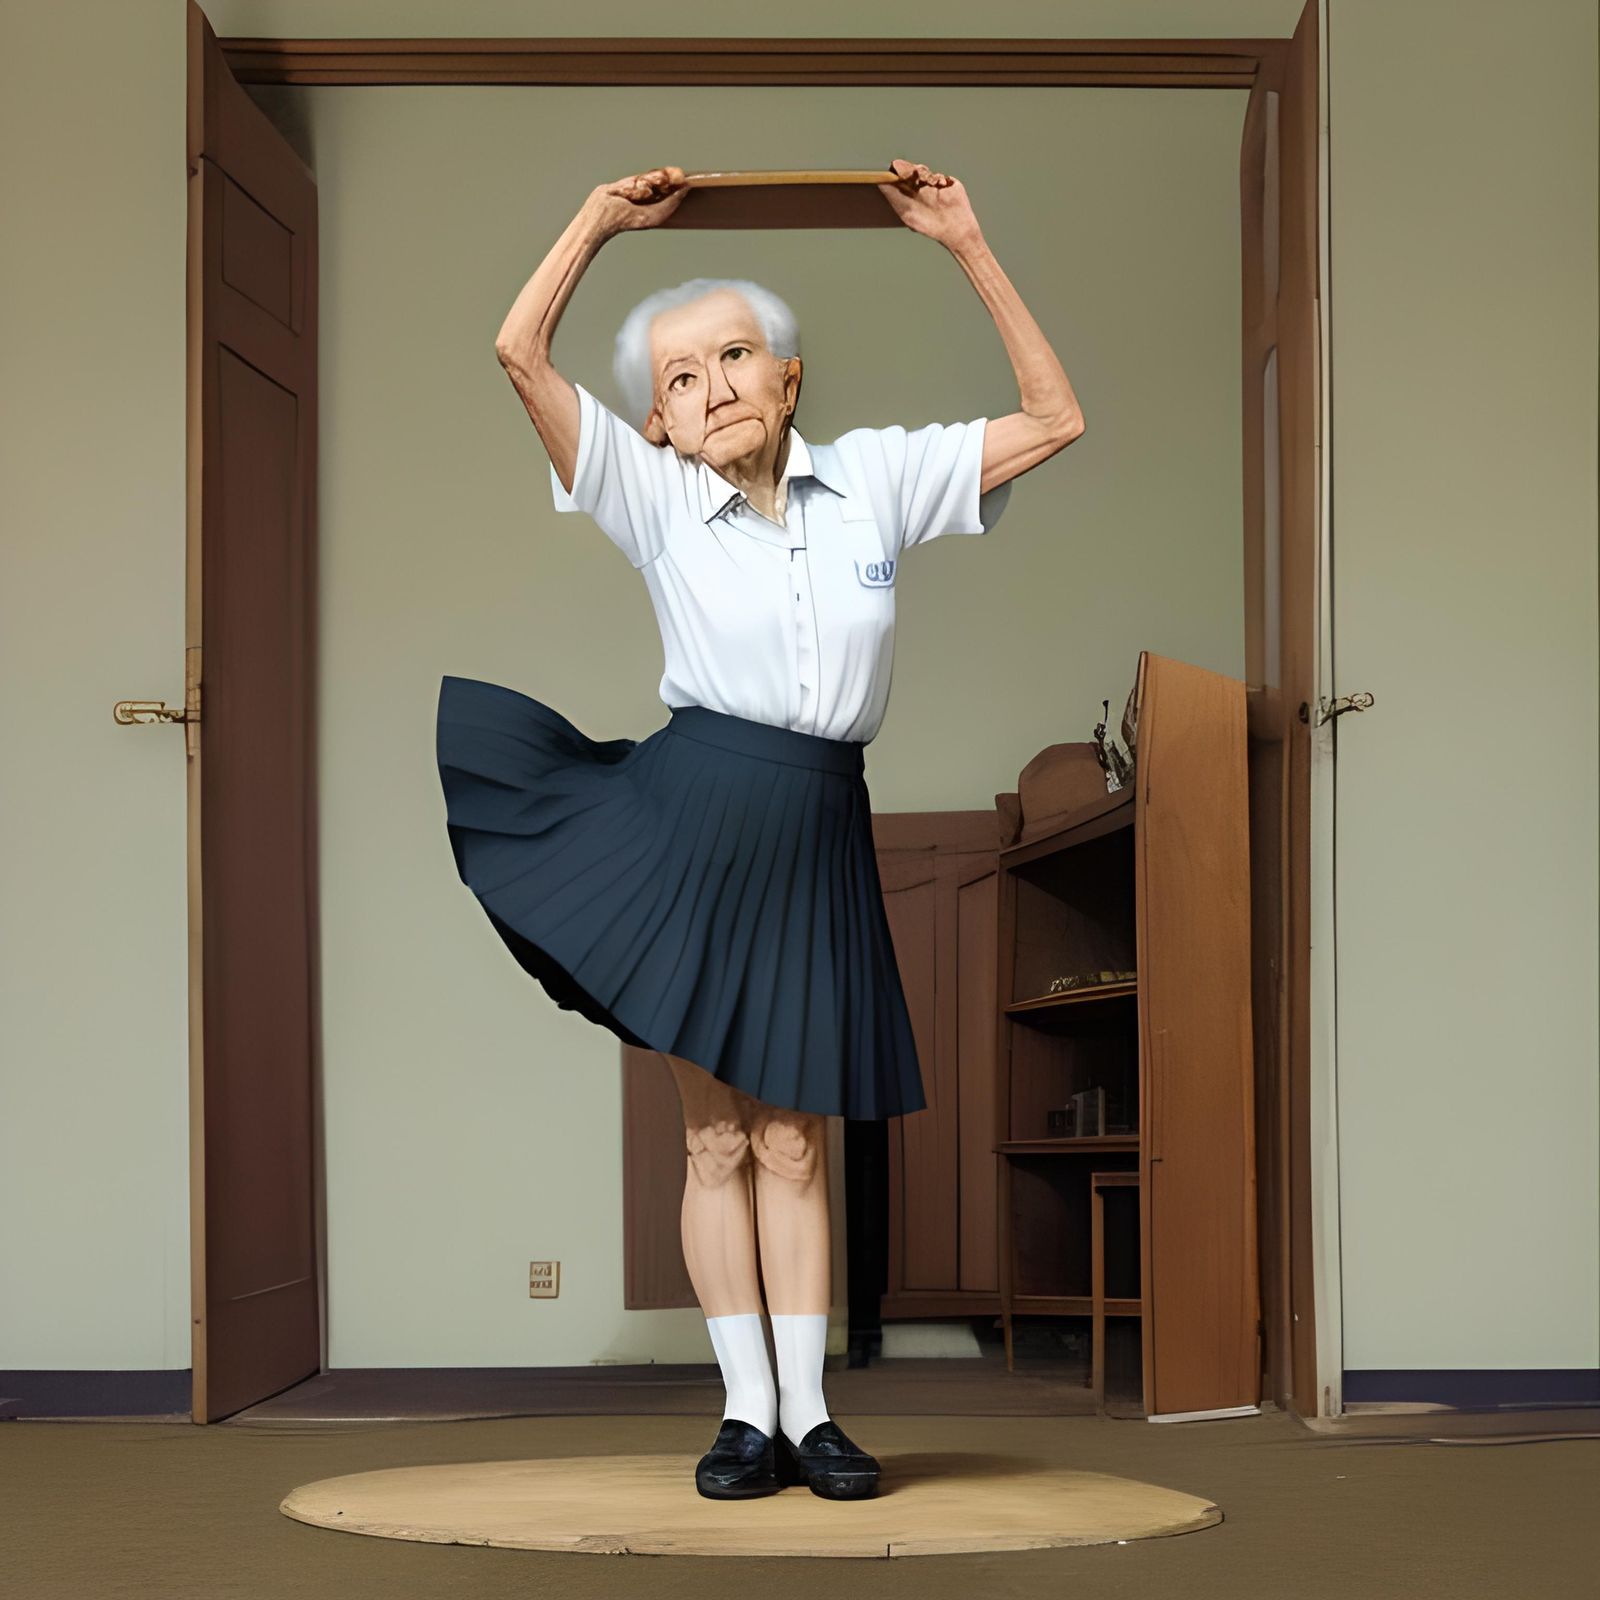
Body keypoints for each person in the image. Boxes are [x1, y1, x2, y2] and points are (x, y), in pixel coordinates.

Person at [435, 158, 1083, 1502]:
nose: (713, 384)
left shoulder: (880, 479)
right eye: (680, 377)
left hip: (817, 826)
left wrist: (963, 239)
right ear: (661, 424)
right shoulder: (654, 496)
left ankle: (813, 1418)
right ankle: (744, 1416)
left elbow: (1054, 416)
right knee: (717, 1140)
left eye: (735, 356)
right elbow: (517, 352)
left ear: (789, 381)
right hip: (685, 827)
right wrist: (599, 221)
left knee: (795, 1140)